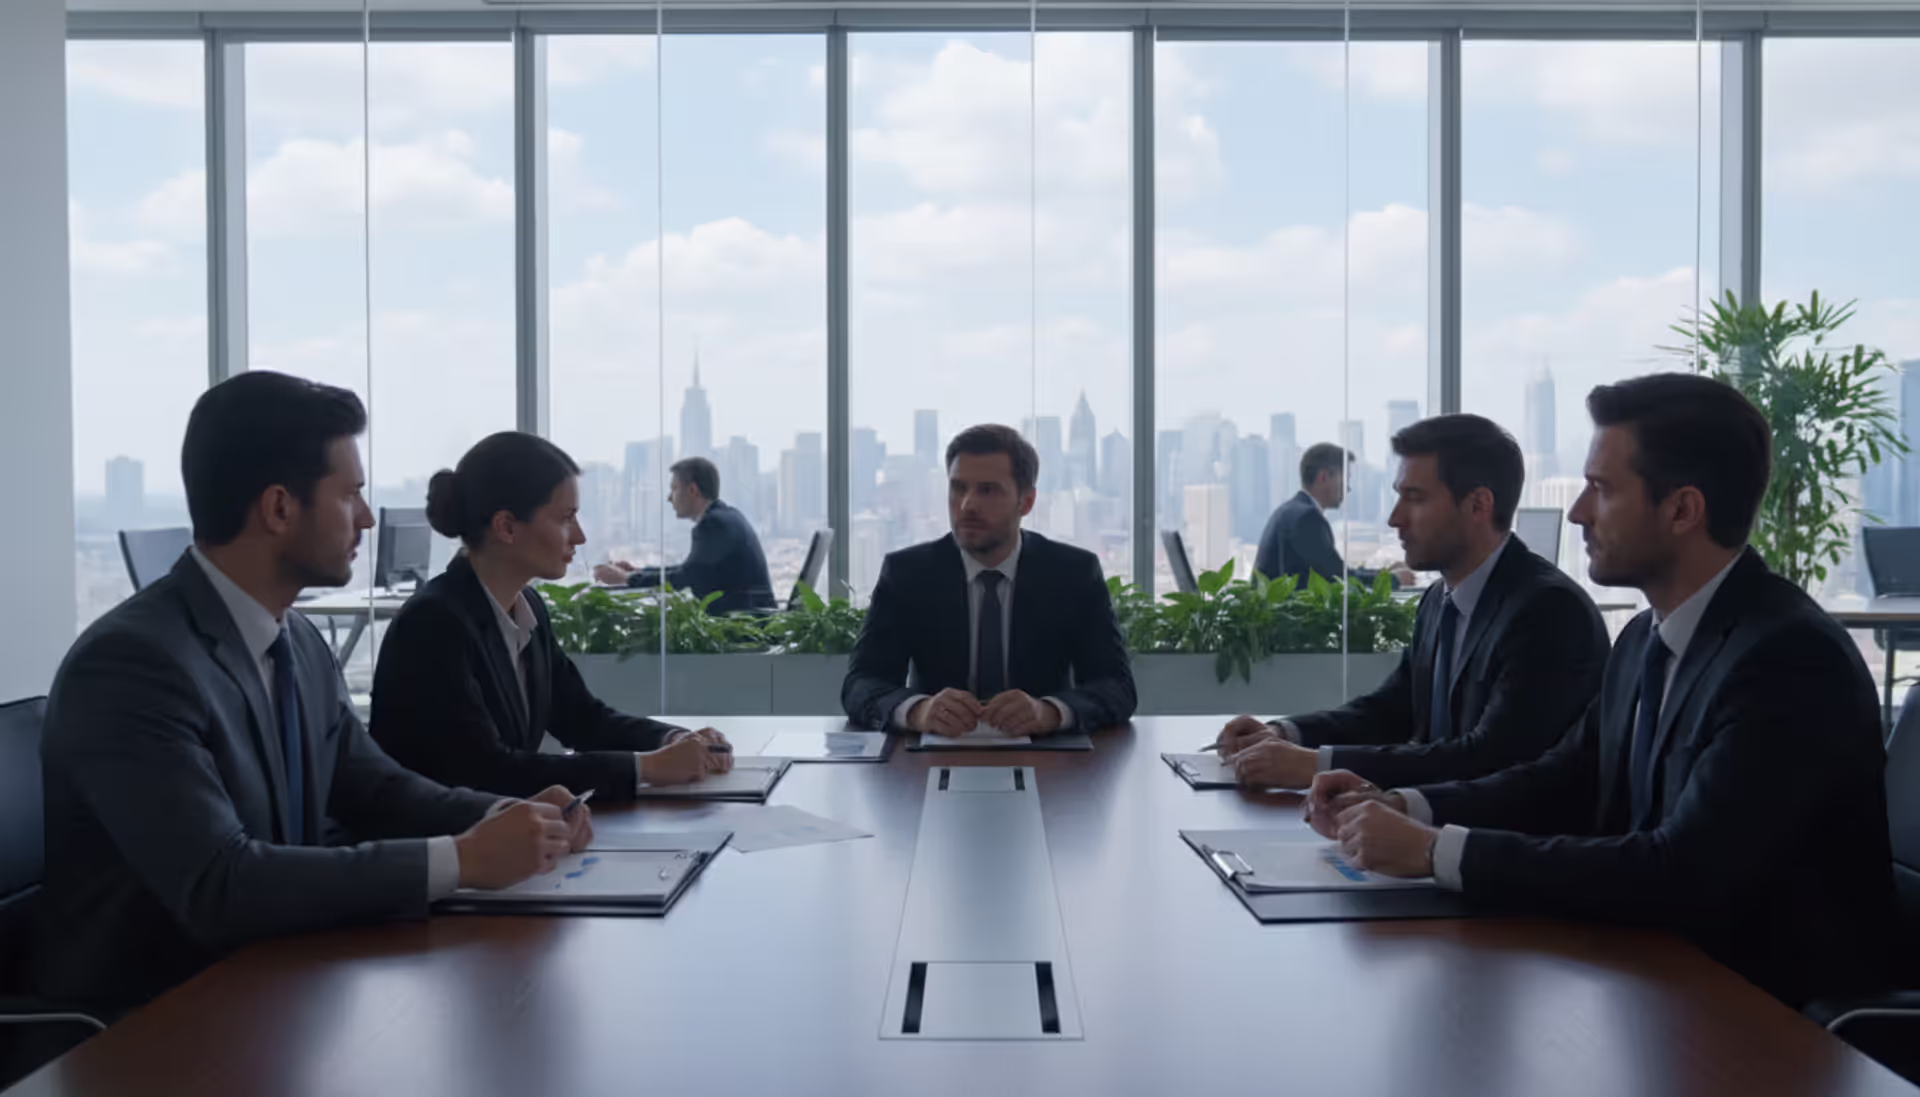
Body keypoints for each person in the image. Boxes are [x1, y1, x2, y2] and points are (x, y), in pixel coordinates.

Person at [1309, 373, 1895, 1008]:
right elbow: (1562, 778)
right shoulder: (1644, 637)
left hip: (1767, 1019)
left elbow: (1683, 872)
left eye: (1602, 489)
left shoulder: (1788, 659)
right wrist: (1407, 806)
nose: (1577, 512)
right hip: (1651, 981)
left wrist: (1437, 853)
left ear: (1682, 510)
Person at [36, 373, 592, 1016]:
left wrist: (505, 814)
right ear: (279, 508)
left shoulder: (297, 640)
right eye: (351, 494)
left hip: (280, 986)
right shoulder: (132, 665)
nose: (366, 517)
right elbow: (220, 883)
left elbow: (376, 788)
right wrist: (460, 860)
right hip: (154, 1023)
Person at [1215, 414, 1608, 791]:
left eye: (1414, 498)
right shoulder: (1438, 600)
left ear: (1478, 506)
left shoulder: (1548, 612)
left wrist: (1316, 765)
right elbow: (1394, 709)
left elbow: (1489, 759)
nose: (1394, 518)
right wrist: (1286, 733)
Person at [371, 432, 731, 802]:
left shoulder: (526, 606)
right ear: (506, 527)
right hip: (444, 835)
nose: (580, 536)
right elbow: (488, 772)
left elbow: (581, 718)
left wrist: (671, 739)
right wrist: (647, 768)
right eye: (566, 518)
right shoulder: (433, 624)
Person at [842, 424, 1136, 735]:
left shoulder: (1073, 573)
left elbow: (1117, 687)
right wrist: (918, 711)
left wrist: (1049, 712)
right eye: (958, 488)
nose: (967, 505)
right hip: (936, 751)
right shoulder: (907, 573)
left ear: (1026, 502)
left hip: (1044, 752)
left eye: (988, 490)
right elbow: (861, 683)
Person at [593, 456, 776, 615]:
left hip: (745, 631)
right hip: (752, 622)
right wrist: (639, 572)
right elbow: (692, 570)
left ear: (692, 490)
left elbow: (686, 579)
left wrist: (626, 579)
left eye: (674, 488)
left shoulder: (713, 524)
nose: (670, 498)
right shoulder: (727, 517)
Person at [1255, 442, 1416, 589]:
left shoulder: (1292, 512)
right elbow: (1337, 579)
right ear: (1323, 477)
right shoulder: (1306, 517)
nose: (1348, 488)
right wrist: (1393, 580)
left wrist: (1383, 573)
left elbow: (1334, 570)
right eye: (1345, 479)